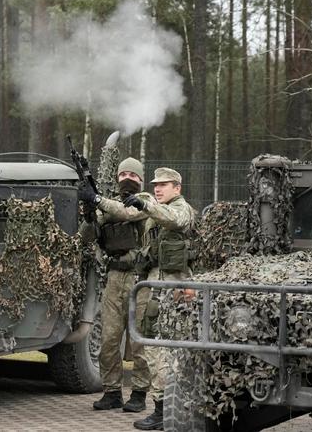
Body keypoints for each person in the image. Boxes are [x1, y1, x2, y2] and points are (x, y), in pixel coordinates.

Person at [77, 157, 156, 413]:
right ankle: (112, 391)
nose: (127, 179)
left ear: (141, 180)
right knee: (109, 338)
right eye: (123, 174)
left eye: (132, 176)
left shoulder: (145, 201)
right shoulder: (108, 206)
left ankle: (139, 393)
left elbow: (127, 213)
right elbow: (85, 237)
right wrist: (90, 214)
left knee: (139, 340)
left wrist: (98, 200)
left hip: (139, 279)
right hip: (114, 278)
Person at [122, 167, 197, 431]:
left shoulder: (181, 209)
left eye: (164, 184)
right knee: (155, 347)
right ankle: (164, 409)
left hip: (176, 292)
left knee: (165, 350)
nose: (158, 188)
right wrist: (97, 201)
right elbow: (126, 212)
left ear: (177, 187)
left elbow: (173, 220)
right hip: (157, 288)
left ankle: (165, 411)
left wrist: (146, 204)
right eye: (155, 184)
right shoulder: (156, 208)